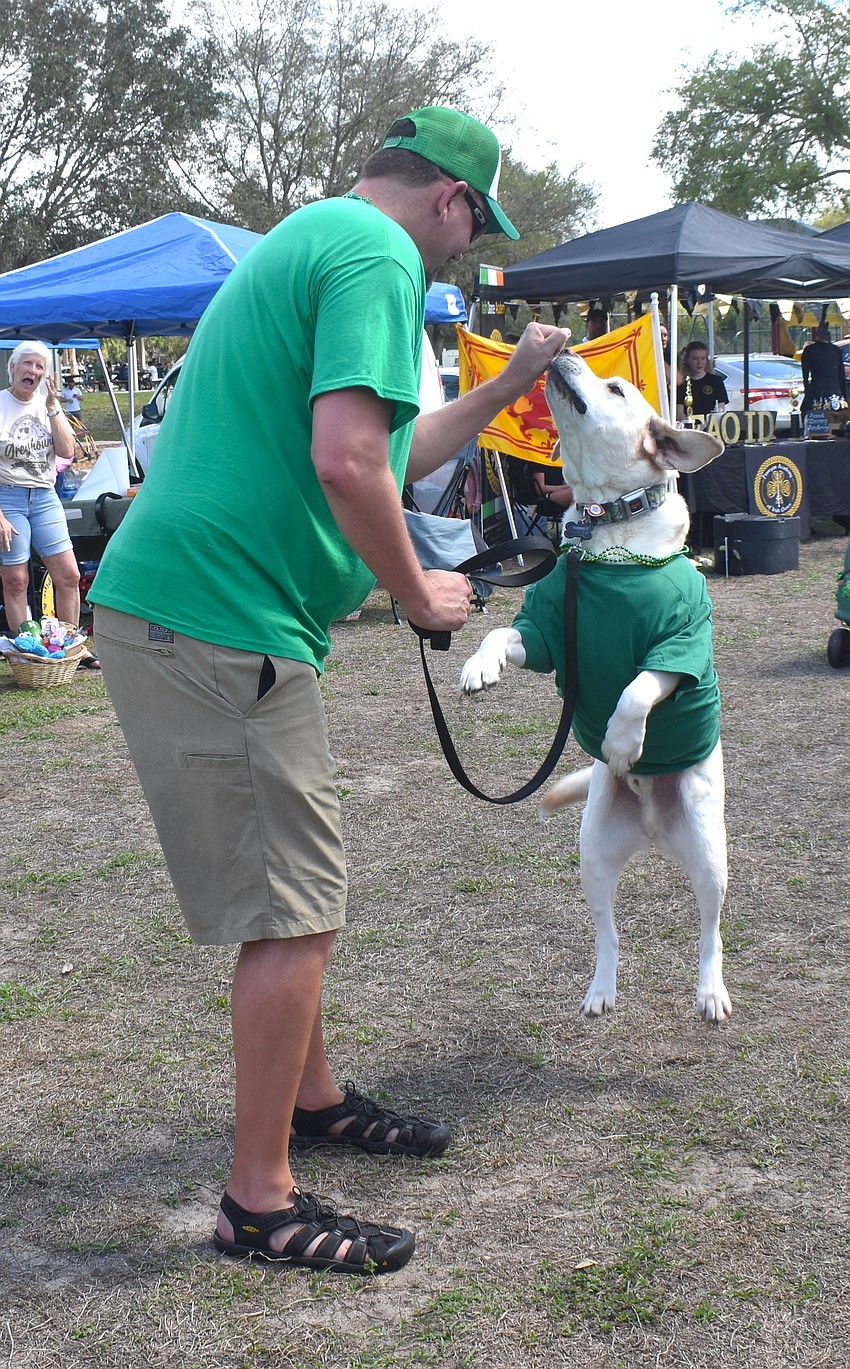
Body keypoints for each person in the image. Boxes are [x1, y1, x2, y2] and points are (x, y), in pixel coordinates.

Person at [88, 105, 570, 1277]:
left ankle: (312, 1102)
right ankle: (258, 1201)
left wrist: (507, 382)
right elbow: (345, 463)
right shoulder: (377, 255)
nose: (459, 249)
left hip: (203, 611)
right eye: (471, 225)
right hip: (217, 618)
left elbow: (386, 447)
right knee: (296, 910)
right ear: (450, 200)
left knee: (297, 889)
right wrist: (416, 593)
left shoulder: (308, 237)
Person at [0, 342, 99, 670]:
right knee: (16, 580)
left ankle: (71, 647)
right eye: (27, 364)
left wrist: (55, 408)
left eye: (39, 366)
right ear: (13, 367)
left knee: (69, 574)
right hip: (7, 498)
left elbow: (67, 451)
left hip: (44, 497)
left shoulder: (48, 405)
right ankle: (26, 655)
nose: (33, 371)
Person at [800, 323, 848, 414]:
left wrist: (808, 393)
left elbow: (805, 375)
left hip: (817, 392)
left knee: (816, 421)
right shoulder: (836, 350)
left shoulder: (809, 350)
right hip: (835, 393)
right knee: (837, 422)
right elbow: (841, 376)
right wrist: (845, 397)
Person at [676, 341, 729, 420]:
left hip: (711, 427)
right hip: (690, 428)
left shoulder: (716, 381)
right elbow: (679, 414)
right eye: (695, 359)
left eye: (703, 358)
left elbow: (721, 409)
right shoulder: (682, 384)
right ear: (687, 360)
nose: (699, 362)